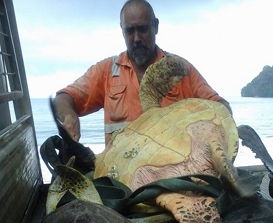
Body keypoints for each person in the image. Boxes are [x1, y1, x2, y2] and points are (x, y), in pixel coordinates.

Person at [53, 0, 231, 145]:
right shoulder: (106, 71)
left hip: (173, 172)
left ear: (155, 26)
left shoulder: (180, 69)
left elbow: (220, 106)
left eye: (143, 29)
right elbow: (63, 98)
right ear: (122, 30)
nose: (137, 38)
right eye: (130, 31)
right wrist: (68, 115)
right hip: (120, 176)